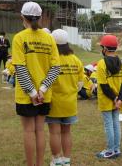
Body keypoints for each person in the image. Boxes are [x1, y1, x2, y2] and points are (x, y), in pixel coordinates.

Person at [12, 2, 60, 166]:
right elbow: (55, 68)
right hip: (44, 94)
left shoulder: (19, 37)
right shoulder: (49, 38)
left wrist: (32, 93)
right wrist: (42, 89)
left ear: (22, 17)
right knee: (40, 130)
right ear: (40, 18)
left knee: (28, 131)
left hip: (27, 95)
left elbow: (20, 67)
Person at [46, 29, 83, 166]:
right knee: (66, 132)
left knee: (54, 133)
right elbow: (80, 84)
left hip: (54, 102)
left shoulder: (51, 60)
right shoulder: (76, 60)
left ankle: (56, 160)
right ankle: (66, 161)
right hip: (70, 102)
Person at [96, 35, 122, 158]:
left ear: (105, 48)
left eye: (102, 47)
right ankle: (116, 149)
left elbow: (104, 86)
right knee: (116, 123)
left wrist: (114, 99)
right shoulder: (121, 62)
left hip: (107, 99)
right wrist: (119, 99)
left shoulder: (102, 63)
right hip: (117, 100)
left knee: (109, 124)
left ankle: (110, 150)